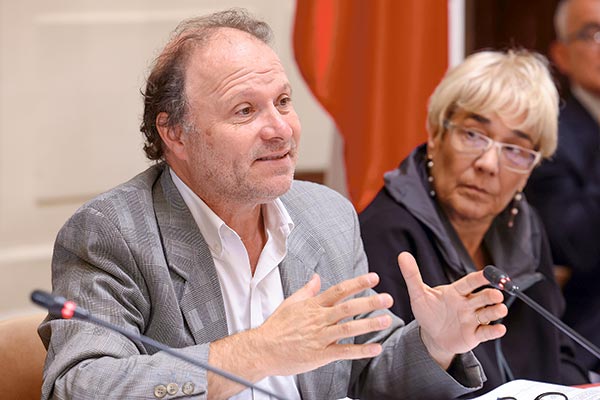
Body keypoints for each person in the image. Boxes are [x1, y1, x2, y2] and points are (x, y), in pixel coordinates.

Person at [37, 8, 508, 400]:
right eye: (245, 110)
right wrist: (259, 351)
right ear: (175, 134)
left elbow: (365, 373)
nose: (280, 128)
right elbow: (79, 386)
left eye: (283, 101)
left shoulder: (327, 215)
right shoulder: (113, 232)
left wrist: (434, 342)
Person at [359, 49, 590, 397]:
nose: (488, 164)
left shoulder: (524, 228)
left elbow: (560, 353)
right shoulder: (385, 234)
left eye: (515, 149)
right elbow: (380, 384)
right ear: (436, 134)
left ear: (530, 170)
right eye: (473, 135)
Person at [524, 0, 600, 377]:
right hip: (589, 349)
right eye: (594, 33)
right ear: (562, 55)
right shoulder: (549, 137)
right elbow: (579, 245)